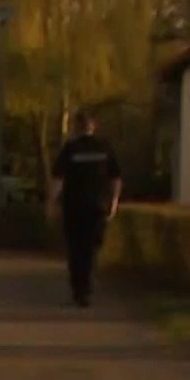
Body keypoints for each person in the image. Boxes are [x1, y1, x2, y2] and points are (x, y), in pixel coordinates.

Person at [47, 111, 124, 306]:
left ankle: (79, 289)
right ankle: (86, 286)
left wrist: (51, 203)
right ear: (94, 126)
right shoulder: (105, 147)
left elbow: (58, 179)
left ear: (76, 127)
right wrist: (114, 201)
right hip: (98, 206)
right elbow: (115, 178)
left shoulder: (71, 149)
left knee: (76, 248)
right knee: (92, 247)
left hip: (74, 206)